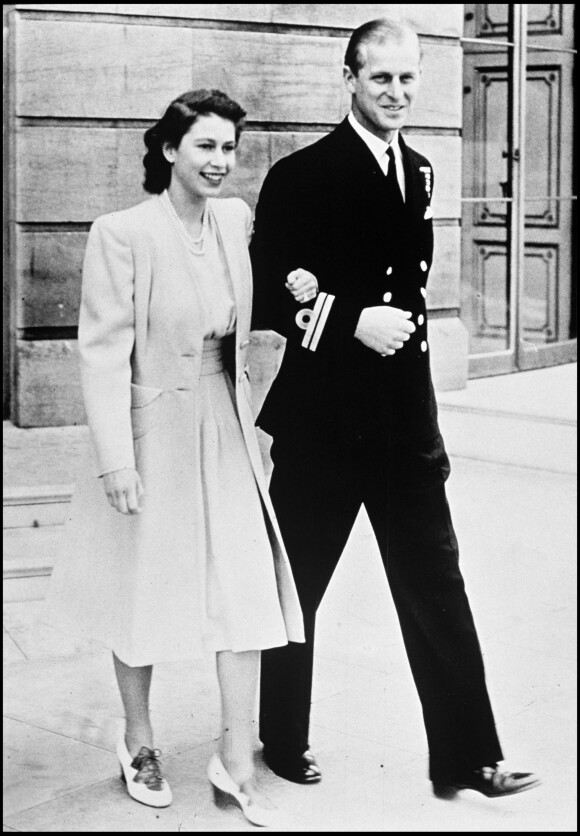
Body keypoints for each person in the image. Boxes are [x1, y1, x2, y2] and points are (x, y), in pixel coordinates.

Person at [250, 19, 540, 799]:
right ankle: (281, 737)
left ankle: (470, 756)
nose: (398, 93)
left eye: (409, 79)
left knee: (438, 585)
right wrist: (348, 320)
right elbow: (274, 285)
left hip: (402, 425)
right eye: (382, 79)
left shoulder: (419, 168)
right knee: (297, 584)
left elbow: (406, 288)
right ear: (349, 78)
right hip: (324, 426)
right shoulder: (302, 175)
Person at [47, 88, 304, 827]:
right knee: (143, 591)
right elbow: (101, 353)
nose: (221, 162)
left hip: (223, 419)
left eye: (229, 148)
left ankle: (236, 755)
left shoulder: (236, 219)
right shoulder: (122, 232)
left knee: (245, 590)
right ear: (168, 150)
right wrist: (114, 459)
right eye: (206, 147)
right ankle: (138, 741)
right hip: (152, 426)